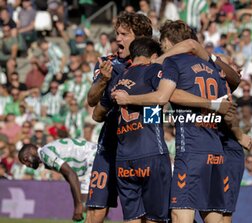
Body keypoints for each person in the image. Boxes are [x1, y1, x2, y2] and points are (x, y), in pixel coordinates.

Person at [112, 20, 238, 223]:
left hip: (191, 150)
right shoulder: (211, 67)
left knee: (180, 215)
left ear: (169, 43)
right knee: (215, 217)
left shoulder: (172, 63)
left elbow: (164, 96)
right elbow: (230, 99)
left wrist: (130, 98)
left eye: (162, 44)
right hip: (216, 150)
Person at [94, 37, 171, 222]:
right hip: (150, 151)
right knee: (155, 218)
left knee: (132, 218)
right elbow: (160, 99)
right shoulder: (154, 69)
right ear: (153, 56)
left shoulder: (118, 79)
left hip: (123, 159)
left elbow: (97, 114)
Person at [85, 12, 153, 223]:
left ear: (140, 37)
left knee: (143, 212)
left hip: (142, 146)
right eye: (117, 34)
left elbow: (158, 106)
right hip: (110, 146)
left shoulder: (153, 65)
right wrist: (103, 81)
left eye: (124, 34)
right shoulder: (107, 63)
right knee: (96, 209)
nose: (118, 39)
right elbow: (92, 101)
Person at [18, 138, 97, 222]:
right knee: (88, 204)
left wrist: (78, 206)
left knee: (85, 203)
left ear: (31, 151)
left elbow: (72, 174)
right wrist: (76, 204)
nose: (27, 165)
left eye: (25, 160)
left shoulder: (45, 154)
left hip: (93, 156)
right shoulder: (47, 153)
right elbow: (70, 179)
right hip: (94, 154)